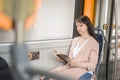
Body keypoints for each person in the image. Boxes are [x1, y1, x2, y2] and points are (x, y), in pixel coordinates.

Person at [41, 16, 99, 80]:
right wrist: (61, 57)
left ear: (87, 26)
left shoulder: (93, 43)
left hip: (82, 69)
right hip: (69, 67)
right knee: (44, 77)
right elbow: (71, 59)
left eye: (81, 26)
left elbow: (92, 65)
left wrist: (76, 64)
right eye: (77, 26)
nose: (78, 28)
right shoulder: (75, 40)